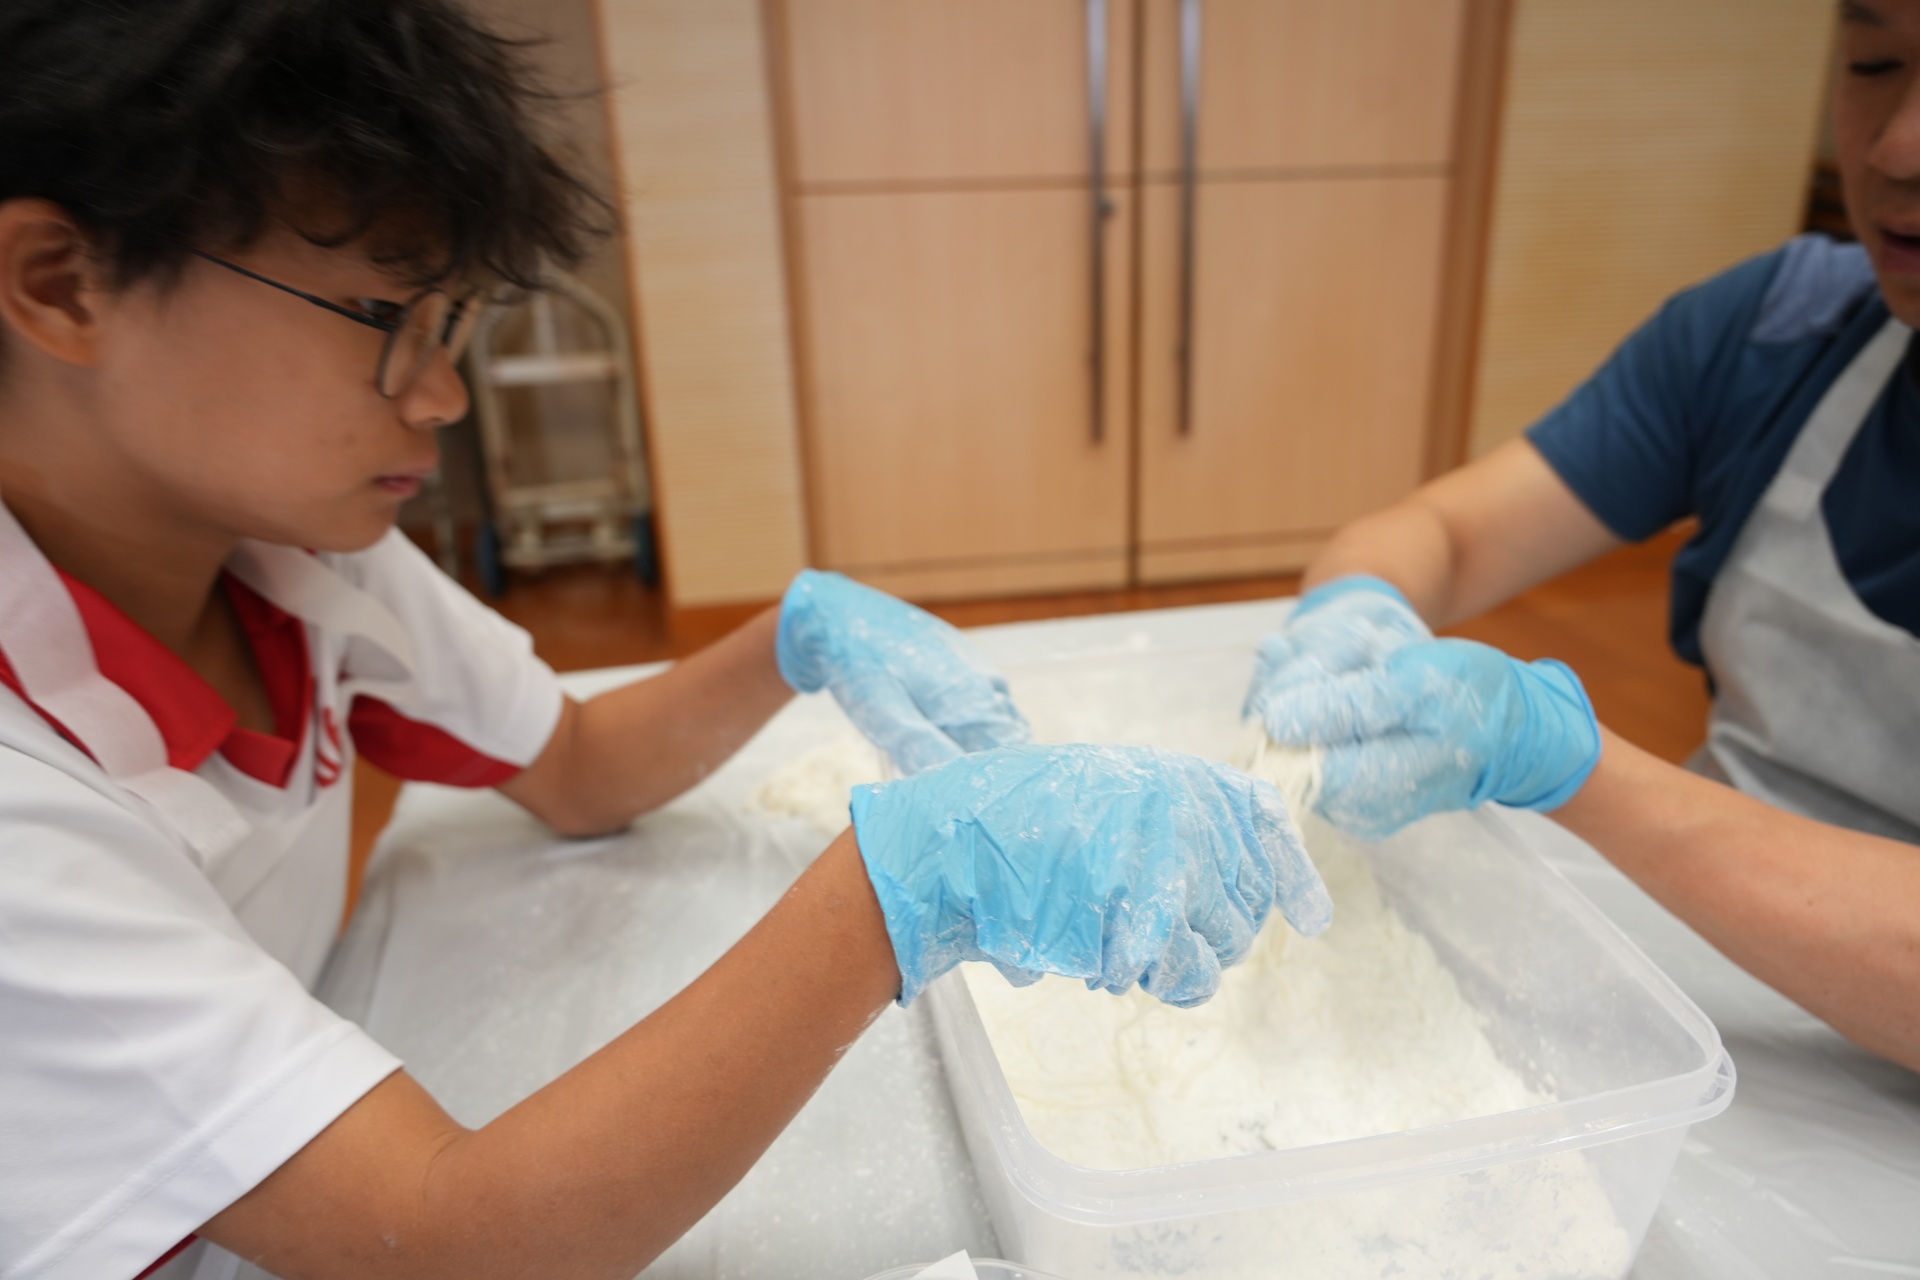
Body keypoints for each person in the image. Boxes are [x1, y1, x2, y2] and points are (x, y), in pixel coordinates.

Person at [0, 4, 1336, 1277]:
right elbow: (450, 1240)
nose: (443, 394)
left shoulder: (278, 552)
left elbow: (576, 763)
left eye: (449, 328)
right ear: (62, 285)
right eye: (384, 320)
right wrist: (901, 894)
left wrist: (790, 642)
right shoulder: (25, 814)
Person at [1243, 0, 1920, 1073]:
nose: (1895, 147)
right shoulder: (1777, 331)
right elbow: (1450, 532)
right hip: (1689, 959)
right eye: (1876, 61)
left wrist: (1570, 765)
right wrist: (1357, 606)